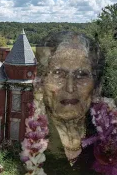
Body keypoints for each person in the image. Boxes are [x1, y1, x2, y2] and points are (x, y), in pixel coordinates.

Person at [34, 31, 108, 174]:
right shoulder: (33, 141)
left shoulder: (109, 143)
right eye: (58, 73)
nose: (69, 87)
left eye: (81, 74)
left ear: (96, 87)